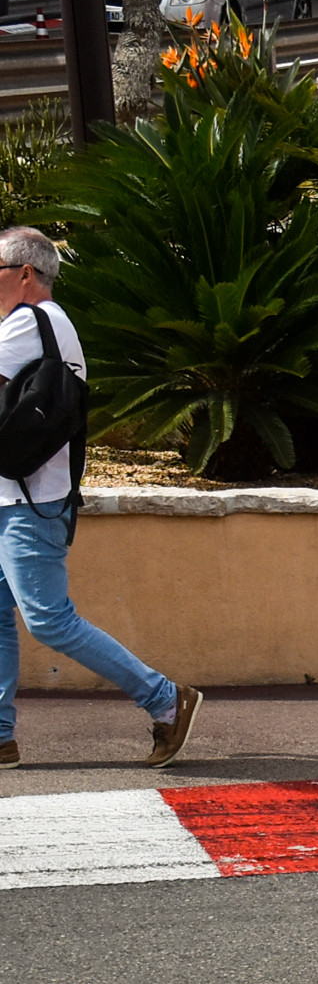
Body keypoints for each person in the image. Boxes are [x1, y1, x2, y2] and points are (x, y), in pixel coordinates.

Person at [0, 227, 201, 770]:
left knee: (48, 620)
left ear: (23, 274)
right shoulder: (42, 324)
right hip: (13, 497)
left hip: (29, 502)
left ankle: (165, 698)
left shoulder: (29, 322)